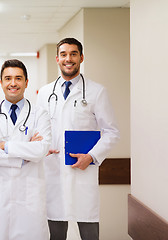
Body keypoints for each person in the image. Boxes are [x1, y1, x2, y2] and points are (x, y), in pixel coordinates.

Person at [36, 38, 120, 240]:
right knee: (55, 233)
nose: (68, 59)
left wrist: (91, 157)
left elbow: (112, 132)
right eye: (64, 54)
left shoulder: (96, 92)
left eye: (73, 54)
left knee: (89, 232)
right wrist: (40, 145)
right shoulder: (46, 93)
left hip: (83, 172)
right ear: (57, 59)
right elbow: (38, 130)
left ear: (81, 58)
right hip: (53, 171)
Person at [0, 59, 51, 240]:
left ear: (26, 82)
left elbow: (42, 148)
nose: (13, 83)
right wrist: (24, 156)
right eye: (8, 78)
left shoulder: (39, 113)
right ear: (1, 82)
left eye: (18, 78)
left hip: (30, 193)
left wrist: (5, 146)